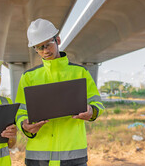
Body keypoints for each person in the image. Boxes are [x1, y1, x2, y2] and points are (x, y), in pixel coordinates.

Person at [15, 18, 104, 166]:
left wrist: (91, 111)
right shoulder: (28, 77)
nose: (45, 50)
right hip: (38, 157)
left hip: (73, 154)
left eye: (47, 45)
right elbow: (20, 111)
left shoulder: (80, 72)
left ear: (58, 40)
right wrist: (24, 126)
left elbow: (97, 104)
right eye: (39, 47)